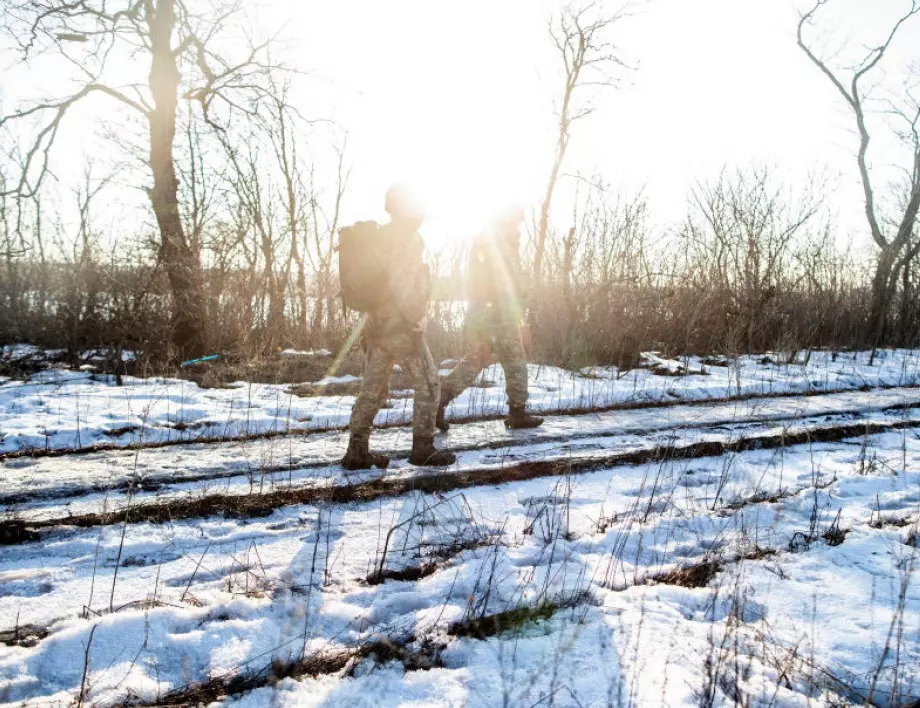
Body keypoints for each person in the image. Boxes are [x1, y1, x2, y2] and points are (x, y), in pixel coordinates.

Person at [341, 183, 456, 470]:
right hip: (400, 326)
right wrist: (417, 316)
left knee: (373, 390)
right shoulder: (405, 238)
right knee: (429, 383)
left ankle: (357, 450)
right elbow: (402, 281)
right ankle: (423, 448)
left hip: (375, 326)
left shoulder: (381, 236)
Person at [437, 206, 544, 431]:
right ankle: (517, 413)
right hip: (498, 313)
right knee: (512, 362)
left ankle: (439, 400)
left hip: (489, 312)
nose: (518, 228)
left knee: (480, 361)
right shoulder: (498, 245)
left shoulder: (487, 242)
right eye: (515, 223)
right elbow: (505, 283)